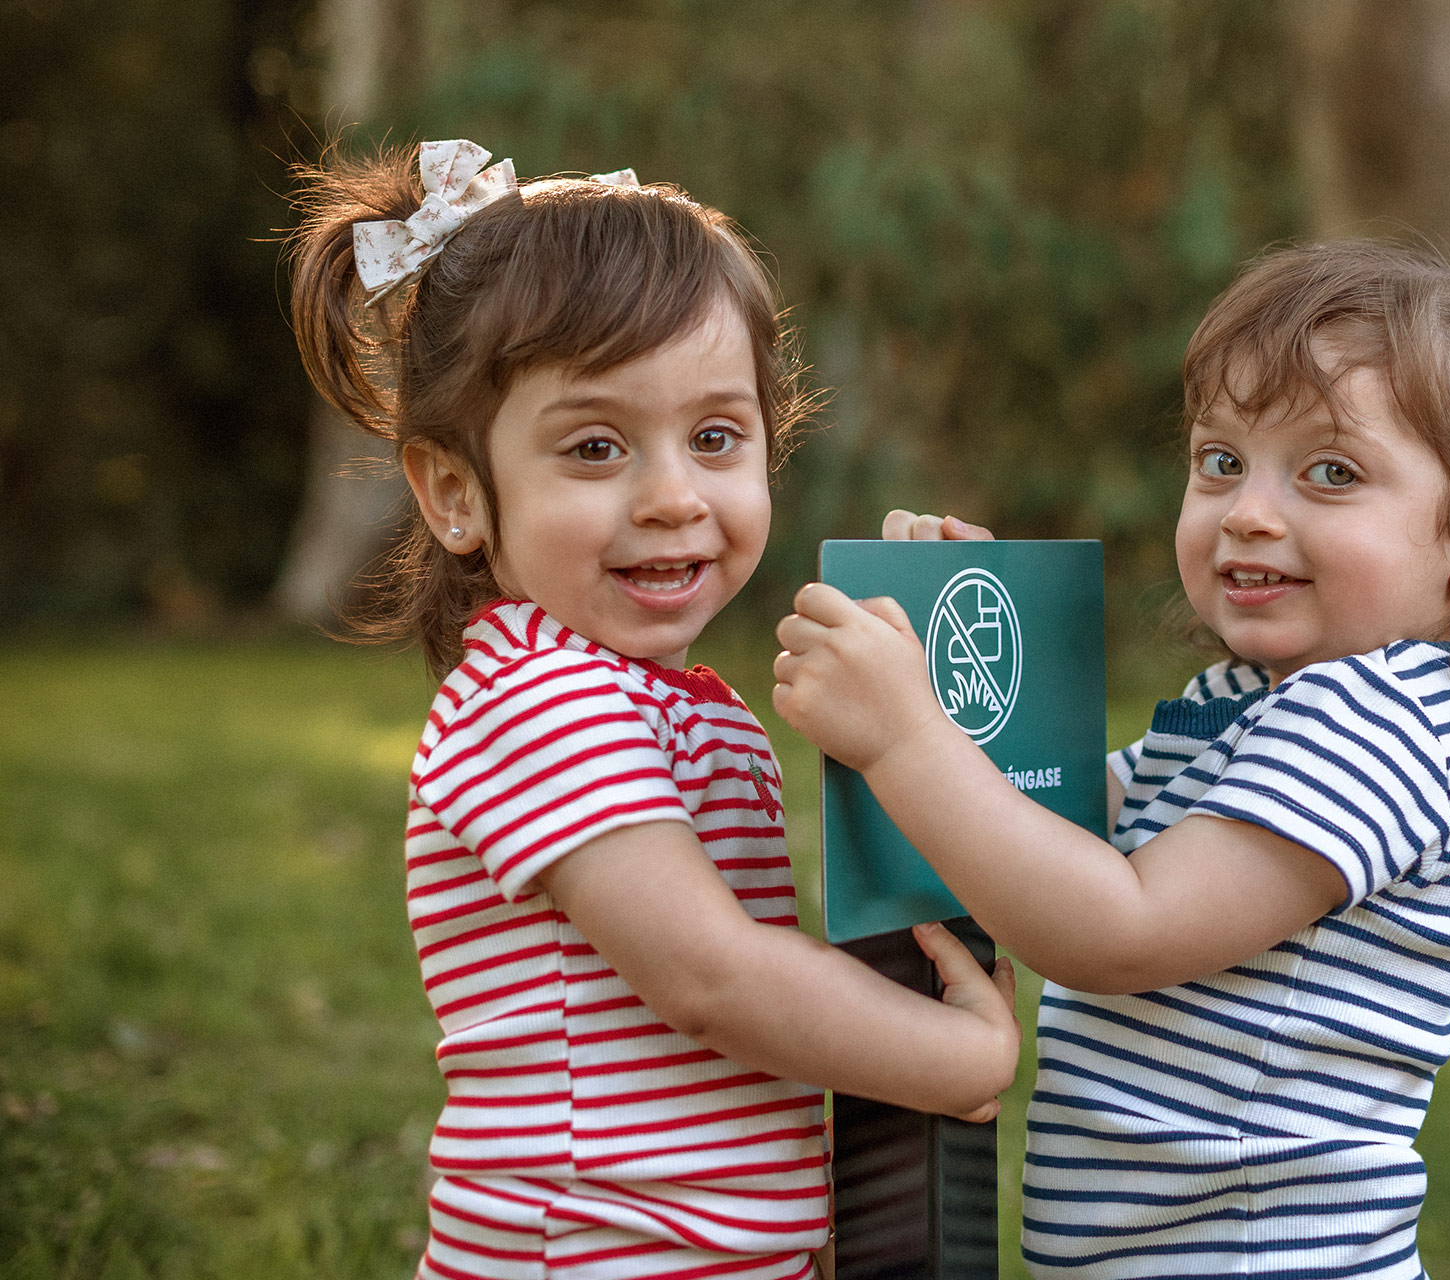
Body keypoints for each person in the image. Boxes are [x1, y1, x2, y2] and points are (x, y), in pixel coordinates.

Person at [772, 226, 1450, 1277]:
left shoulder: (1381, 727)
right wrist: (969, 678)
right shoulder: (1256, 702)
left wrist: (905, 736)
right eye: (1222, 461)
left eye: (1331, 471)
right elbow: (1041, 842)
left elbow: (1116, 926)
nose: (1248, 513)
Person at [286, 138, 1019, 1280]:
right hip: (588, 1250)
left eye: (716, 437)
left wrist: (928, 637)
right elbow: (714, 978)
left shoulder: (681, 704)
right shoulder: (539, 696)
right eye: (595, 446)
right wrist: (949, 1057)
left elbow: (734, 1046)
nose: (674, 495)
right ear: (455, 493)